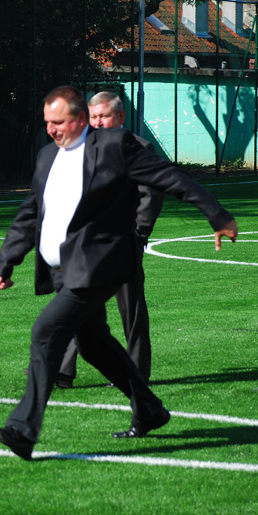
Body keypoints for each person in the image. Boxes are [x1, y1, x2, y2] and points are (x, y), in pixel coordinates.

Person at [0, 85, 238, 460]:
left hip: (98, 264)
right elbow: (31, 212)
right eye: (47, 123)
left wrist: (217, 216)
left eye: (58, 122)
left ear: (79, 119)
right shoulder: (46, 156)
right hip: (62, 270)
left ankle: (23, 430)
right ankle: (149, 409)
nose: (51, 130)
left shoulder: (113, 146)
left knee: (46, 331)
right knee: (93, 344)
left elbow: (169, 178)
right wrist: (7, 260)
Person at [56, 91, 164, 388]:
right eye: (93, 117)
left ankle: (136, 372)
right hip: (86, 245)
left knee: (131, 310)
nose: (98, 122)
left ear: (120, 117)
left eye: (104, 116)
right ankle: (61, 369)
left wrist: (137, 234)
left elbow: (152, 195)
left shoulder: (138, 149)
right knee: (75, 303)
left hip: (122, 244)